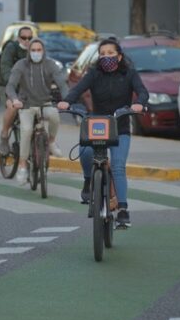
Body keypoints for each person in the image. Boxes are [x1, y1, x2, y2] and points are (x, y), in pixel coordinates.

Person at [57, 38, 149, 228]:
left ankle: (123, 210)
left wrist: (139, 103)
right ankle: (88, 181)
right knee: (86, 150)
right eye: (103, 54)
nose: (106, 57)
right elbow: (78, 89)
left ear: (119, 56)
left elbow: (142, 92)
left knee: (117, 166)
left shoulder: (129, 74)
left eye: (111, 53)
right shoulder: (93, 73)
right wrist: (67, 101)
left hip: (120, 126)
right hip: (97, 125)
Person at [6, 38, 69, 184]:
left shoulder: (50, 64)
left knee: (54, 116)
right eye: (33, 50)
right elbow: (10, 85)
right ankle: (22, 165)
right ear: (28, 51)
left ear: (43, 51)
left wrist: (66, 100)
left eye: (39, 50)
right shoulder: (21, 65)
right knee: (27, 131)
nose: (36, 53)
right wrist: (15, 99)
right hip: (26, 105)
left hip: (45, 103)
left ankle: (52, 142)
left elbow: (61, 83)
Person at [0, 26, 33, 155]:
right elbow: (5, 69)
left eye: (30, 38)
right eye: (24, 38)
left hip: (27, 89)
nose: (27, 40)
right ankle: (4, 135)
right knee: (13, 107)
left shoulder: (35, 50)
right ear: (19, 38)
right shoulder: (11, 49)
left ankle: (42, 141)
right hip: (7, 86)